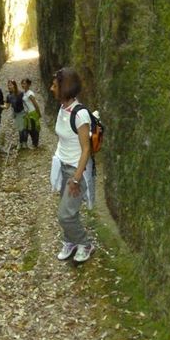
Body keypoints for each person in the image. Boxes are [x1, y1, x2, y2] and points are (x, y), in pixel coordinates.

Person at [49, 67, 95, 263]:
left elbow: (86, 149)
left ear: (64, 87)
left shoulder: (80, 114)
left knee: (65, 215)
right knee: (68, 209)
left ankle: (85, 243)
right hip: (64, 167)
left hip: (77, 171)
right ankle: (70, 241)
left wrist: (76, 179)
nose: (51, 88)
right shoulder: (62, 107)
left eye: (55, 85)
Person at [3, 80, 27, 148]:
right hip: (16, 113)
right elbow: (7, 106)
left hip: (22, 112)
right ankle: (21, 142)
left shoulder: (20, 93)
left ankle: (23, 142)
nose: (9, 86)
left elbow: (26, 102)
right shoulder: (9, 96)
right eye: (8, 85)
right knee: (20, 129)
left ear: (14, 85)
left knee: (23, 129)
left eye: (10, 85)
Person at [21, 78, 42, 148]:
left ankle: (35, 144)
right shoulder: (25, 93)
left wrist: (38, 113)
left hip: (32, 112)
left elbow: (35, 104)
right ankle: (30, 143)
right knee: (29, 128)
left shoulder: (29, 93)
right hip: (28, 113)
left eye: (25, 83)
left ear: (28, 84)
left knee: (34, 128)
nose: (23, 85)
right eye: (22, 83)